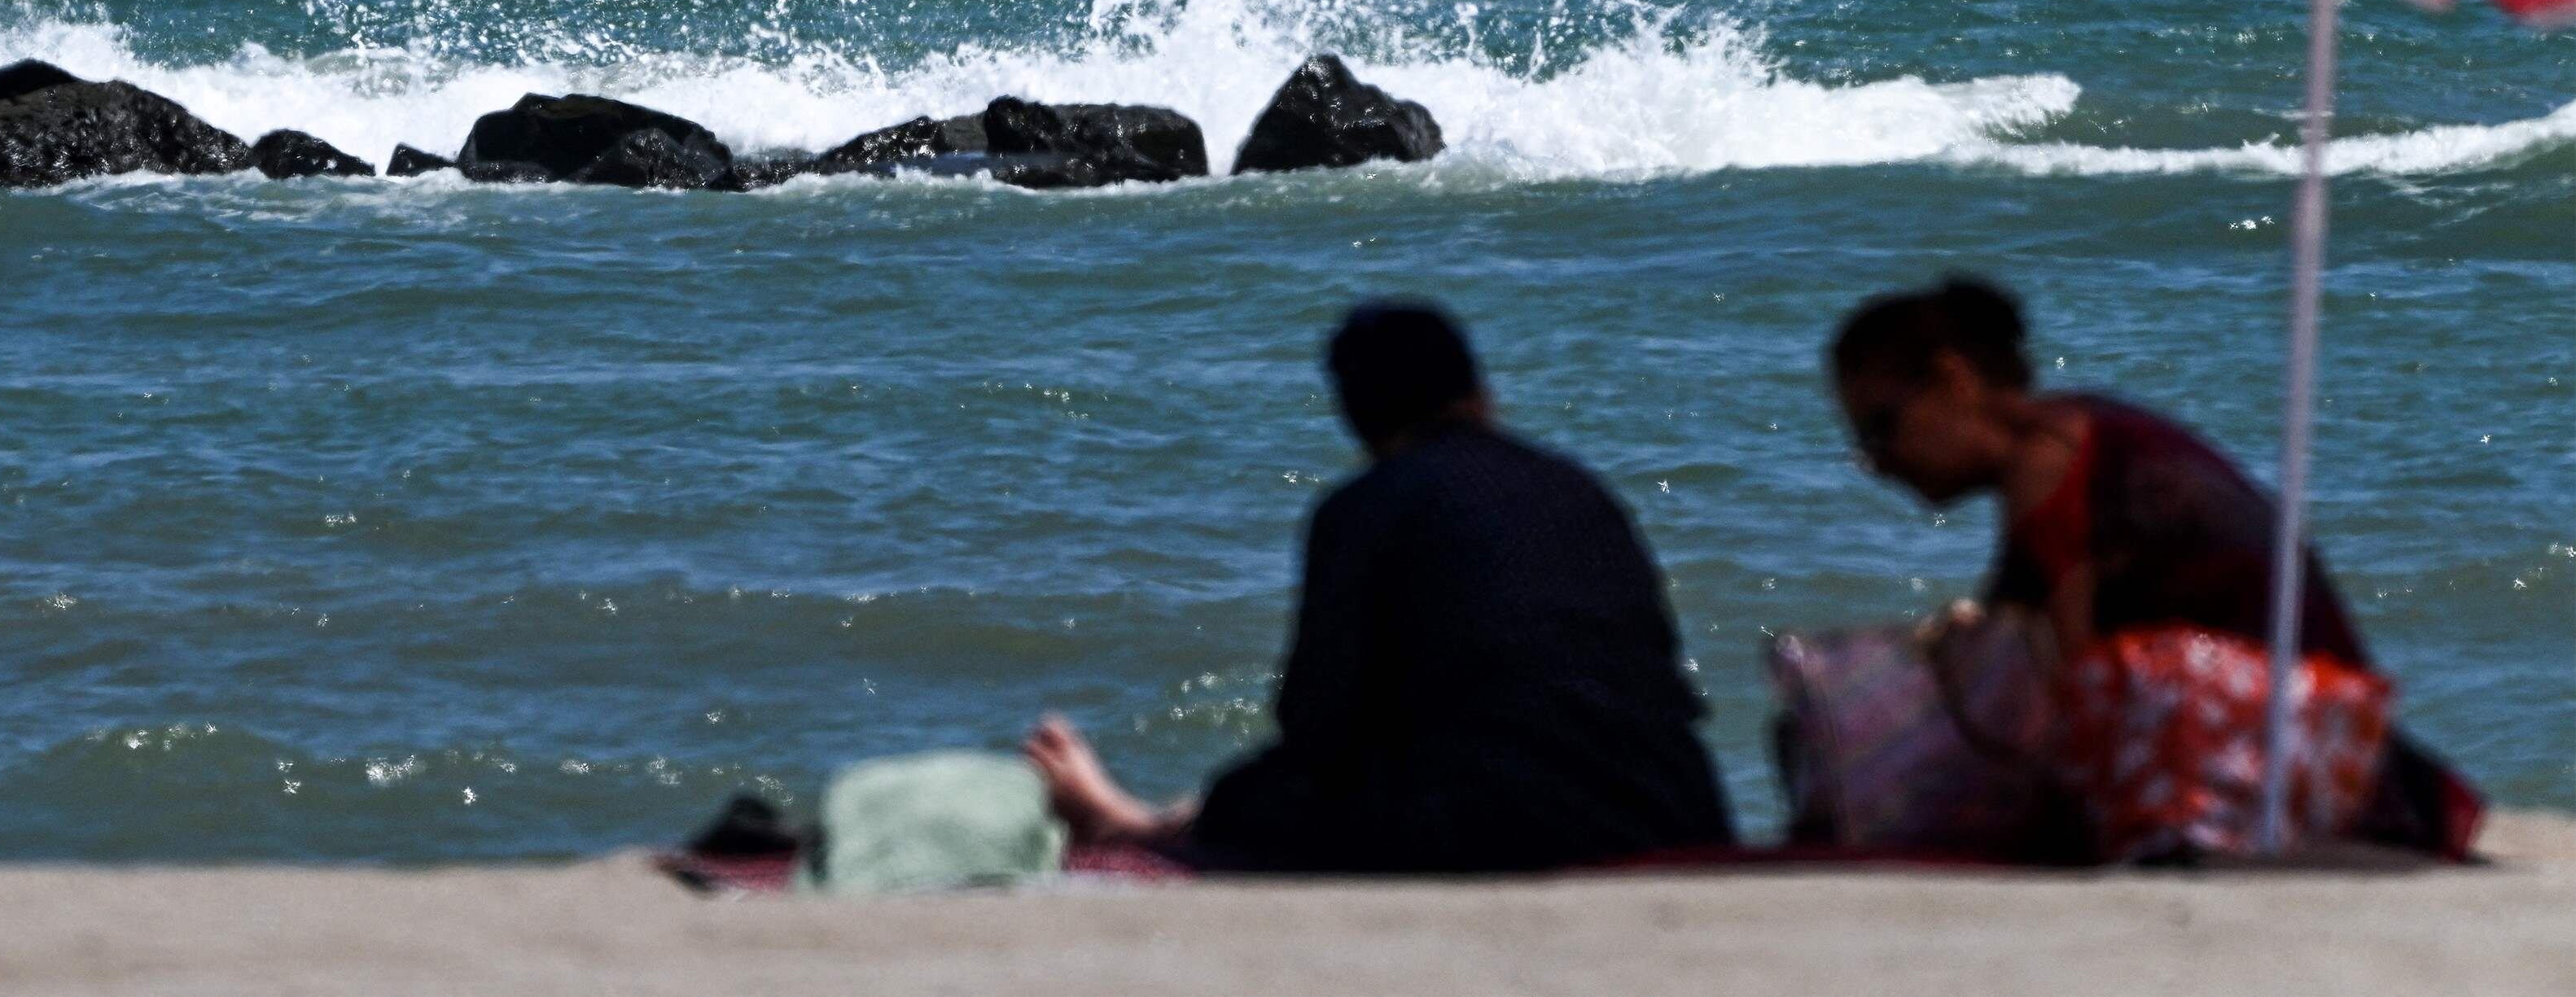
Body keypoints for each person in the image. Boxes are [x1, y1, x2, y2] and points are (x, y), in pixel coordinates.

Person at [1023, 300, 1734, 873]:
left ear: (1356, 419)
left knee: (1267, 792)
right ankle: (1138, 817)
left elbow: (1317, 722)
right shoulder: (1577, 486)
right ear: (1482, 392)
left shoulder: (1364, 505)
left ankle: (1135, 826)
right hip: (1673, 803)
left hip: (1500, 828)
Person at [1827, 274, 2481, 858]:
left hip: (2286, 755)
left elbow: (2067, 672)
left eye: (1881, 428)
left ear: (1953, 382)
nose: (1879, 461)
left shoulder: (2045, 460)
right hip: (2346, 745)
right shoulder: (2084, 423)